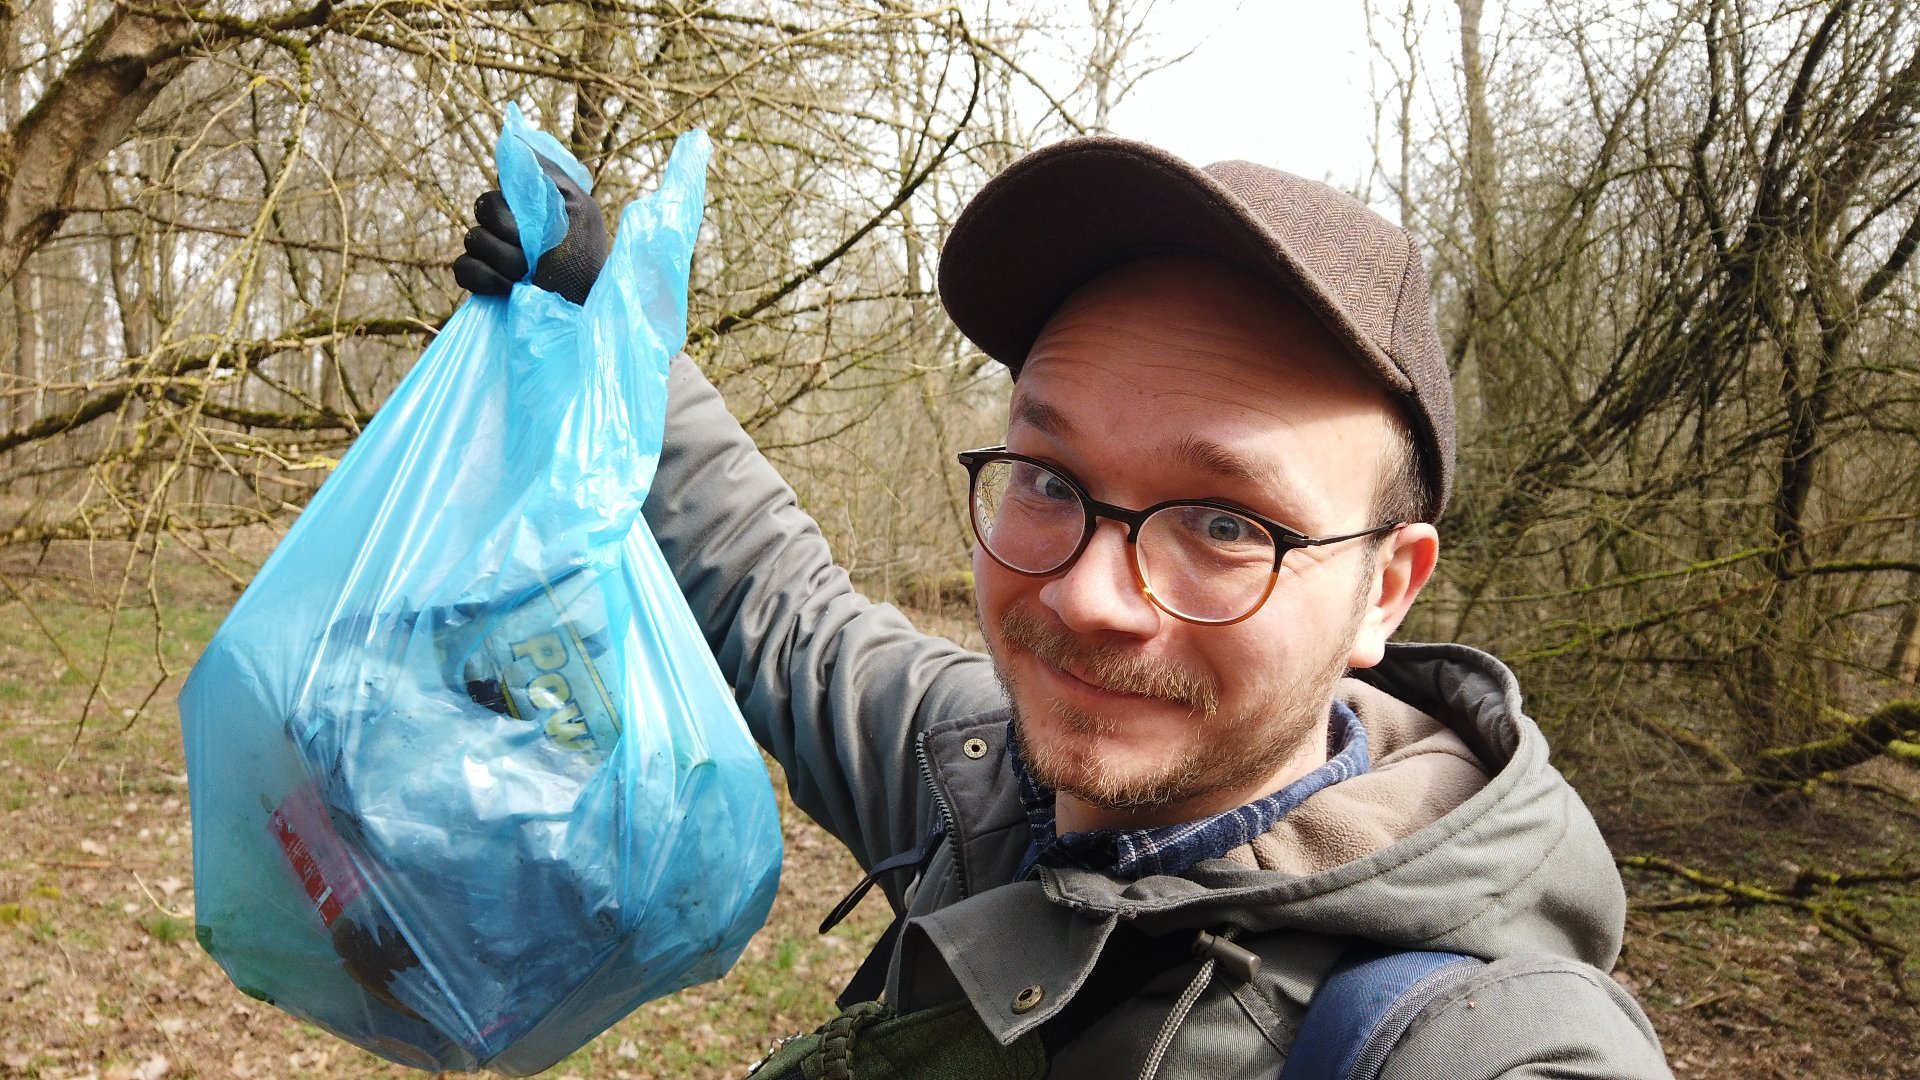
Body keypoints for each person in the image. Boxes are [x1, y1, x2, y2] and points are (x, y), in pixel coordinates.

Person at [456, 136, 1674, 1078]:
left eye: (1226, 524)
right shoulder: (981, 775)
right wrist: (621, 336)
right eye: (1050, 480)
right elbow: (783, 601)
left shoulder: (1458, 1036)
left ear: (1386, 590)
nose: (1088, 598)